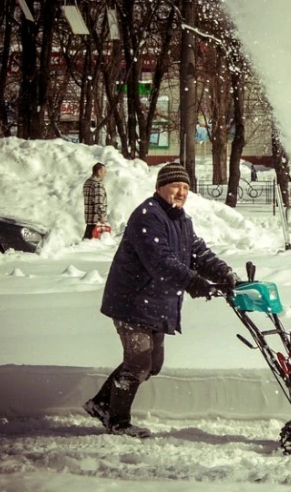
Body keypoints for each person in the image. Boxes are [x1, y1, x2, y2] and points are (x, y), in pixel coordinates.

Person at [83, 163, 241, 438]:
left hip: (156, 302)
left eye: (186, 188)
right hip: (132, 300)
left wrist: (224, 273)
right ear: (160, 188)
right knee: (139, 362)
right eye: (176, 186)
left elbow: (197, 253)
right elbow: (160, 261)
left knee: (152, 364)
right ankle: (116, 420)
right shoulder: (148, 216)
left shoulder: (181, 219)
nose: (181, 192)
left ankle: (100, 403)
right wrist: (194, 282)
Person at [83, 162, 108, 239]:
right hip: (96, 220)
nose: (105, 174)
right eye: (104, 172)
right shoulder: (97, 184)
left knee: (87, 239)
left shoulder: (87, 182)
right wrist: (102, 216)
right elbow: (99, 202)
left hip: (89, 218)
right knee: (91, 244)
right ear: (99, 171)